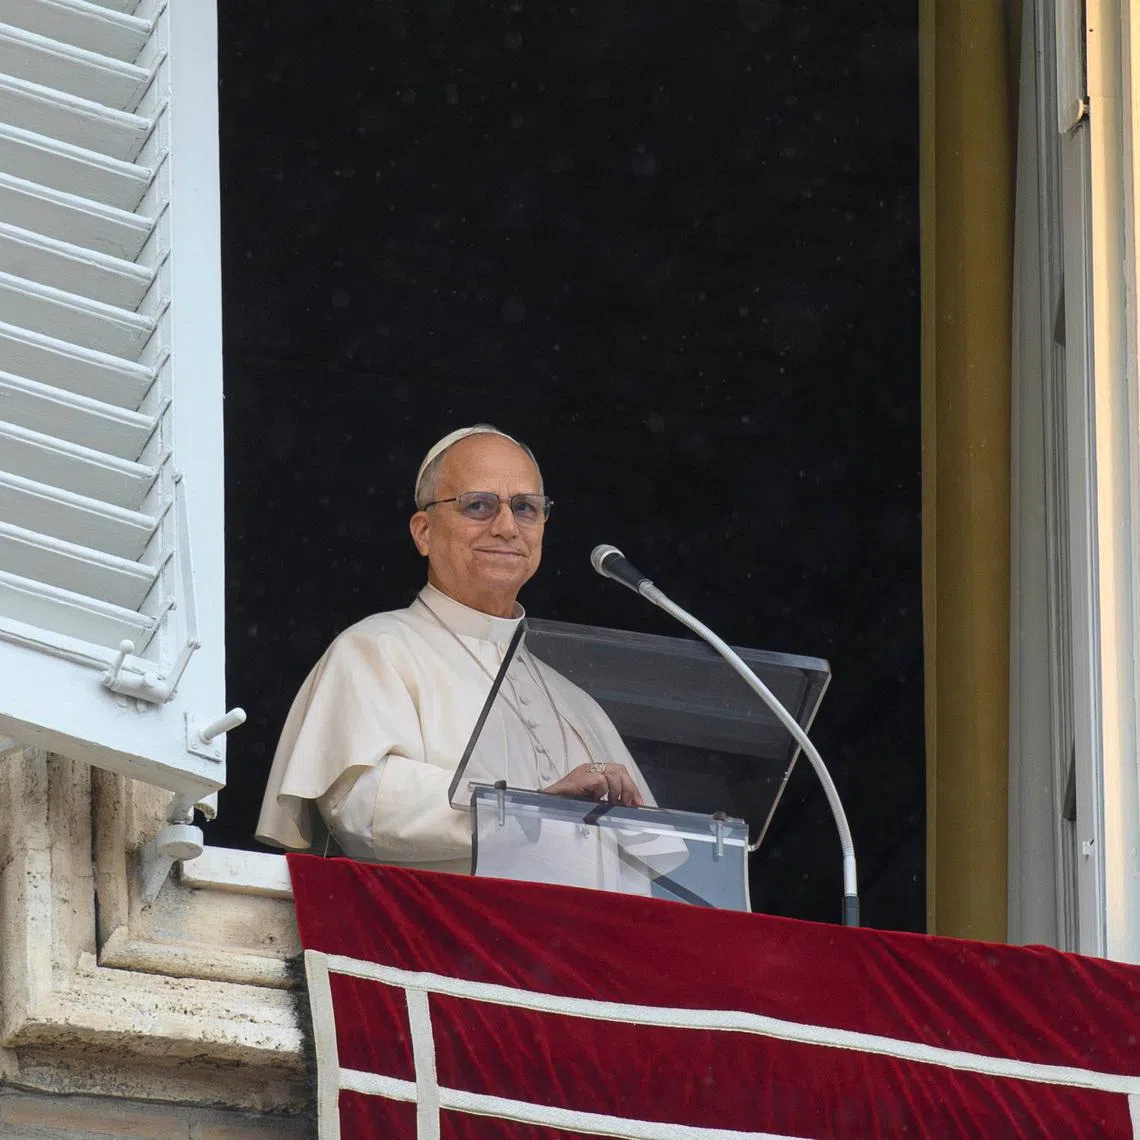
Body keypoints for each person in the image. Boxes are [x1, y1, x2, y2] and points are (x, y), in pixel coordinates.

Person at [256, 424, 668, 877]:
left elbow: (657, 867)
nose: (508, 527)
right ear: (424, 531)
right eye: (478, 505)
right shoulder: (375, 650)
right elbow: (360, 805)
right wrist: (522, 811)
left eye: (526, 508)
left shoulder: (576, 702)